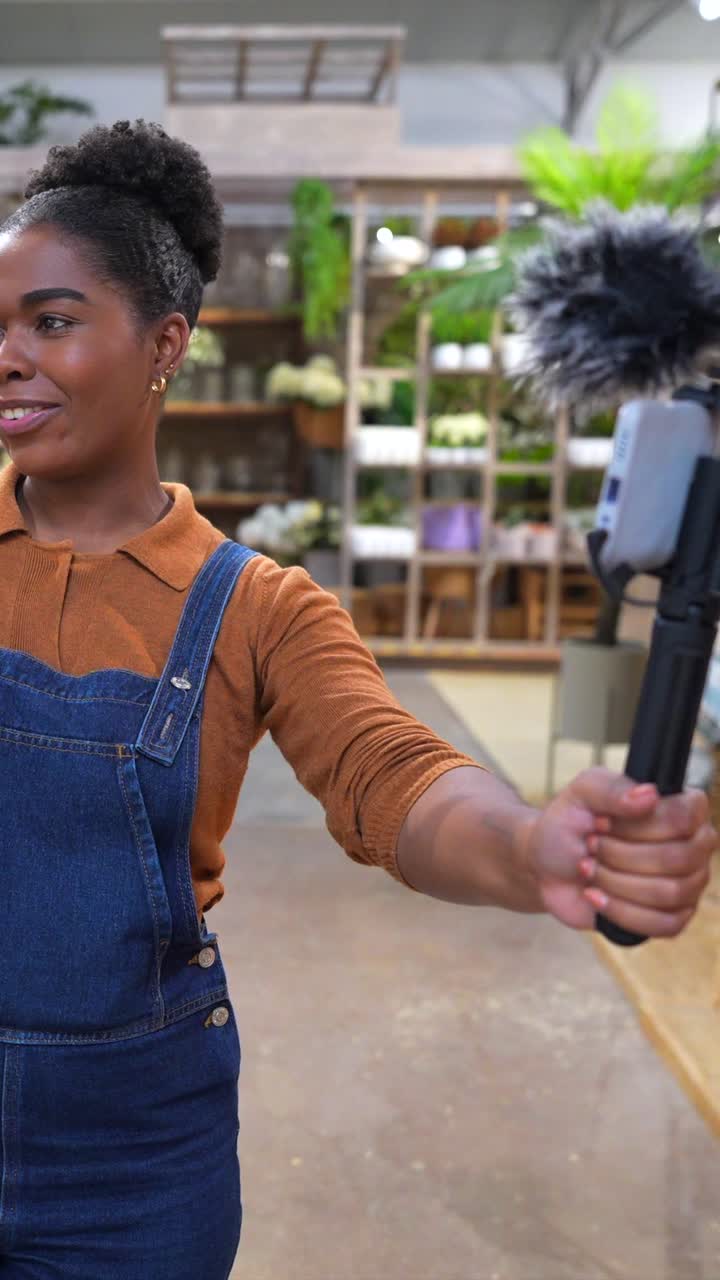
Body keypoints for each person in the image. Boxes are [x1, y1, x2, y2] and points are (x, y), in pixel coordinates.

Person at [0, 119, 714, 1279]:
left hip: (128, 1164)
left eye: (53, 321)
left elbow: (396, 775)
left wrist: (533, 842)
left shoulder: (257, 606)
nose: (9, 353)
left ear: (167, 343)